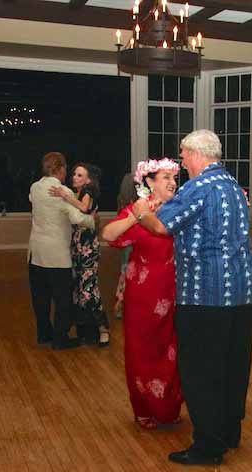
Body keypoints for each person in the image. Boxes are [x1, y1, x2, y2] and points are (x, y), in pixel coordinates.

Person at [132, 130, 252, 466]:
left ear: (198, 154)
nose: (183, 162)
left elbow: (161, 227)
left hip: (205, 294)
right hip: (241, 291)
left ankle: (208, 446)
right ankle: (229, 433)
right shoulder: (233, 186)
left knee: (202, 370)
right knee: (233, 366)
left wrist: (142, 211)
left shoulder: (197, 187)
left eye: (184, 155)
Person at [102, 158, 183, 430]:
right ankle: (145, 409)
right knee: (142, 351)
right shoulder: (139, 209)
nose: (172, 183)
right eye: (165, 178)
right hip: (144, 295)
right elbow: (109, 234)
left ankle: (169, 408)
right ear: (149, 182)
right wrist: (136, 215)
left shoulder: (181, 209)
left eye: (174, 177)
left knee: (173, 351)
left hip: (176, 292)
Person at [27, 152, 95, 350]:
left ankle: (43, 335)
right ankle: (60, 338)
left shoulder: (35, 187)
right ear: (60, 168)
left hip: (35, 252)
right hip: (57, 254)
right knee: (63, 299)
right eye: (66, 168)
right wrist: (94, 221)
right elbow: (78, 218)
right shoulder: (62, 190)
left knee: (40, 298)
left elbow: (32, 199)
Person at [50, 163, 110, 347]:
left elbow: (84, 208)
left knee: (89, 289)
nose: (74, 177)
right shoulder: (77, 194)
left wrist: (64, 195)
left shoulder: (87, 192)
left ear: (88, 180)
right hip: (77, 247)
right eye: (74, 174)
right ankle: (87, 331)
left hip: (87, 248)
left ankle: (103, 330)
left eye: (79, 175)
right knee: (79, 289)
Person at [113, 168, 140, 319]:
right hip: (134, 243)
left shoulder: (121, 201)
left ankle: (121, 301)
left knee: (124, 271)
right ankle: (124, 303)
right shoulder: (136, 204)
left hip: (125, 243)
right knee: (132, 273)